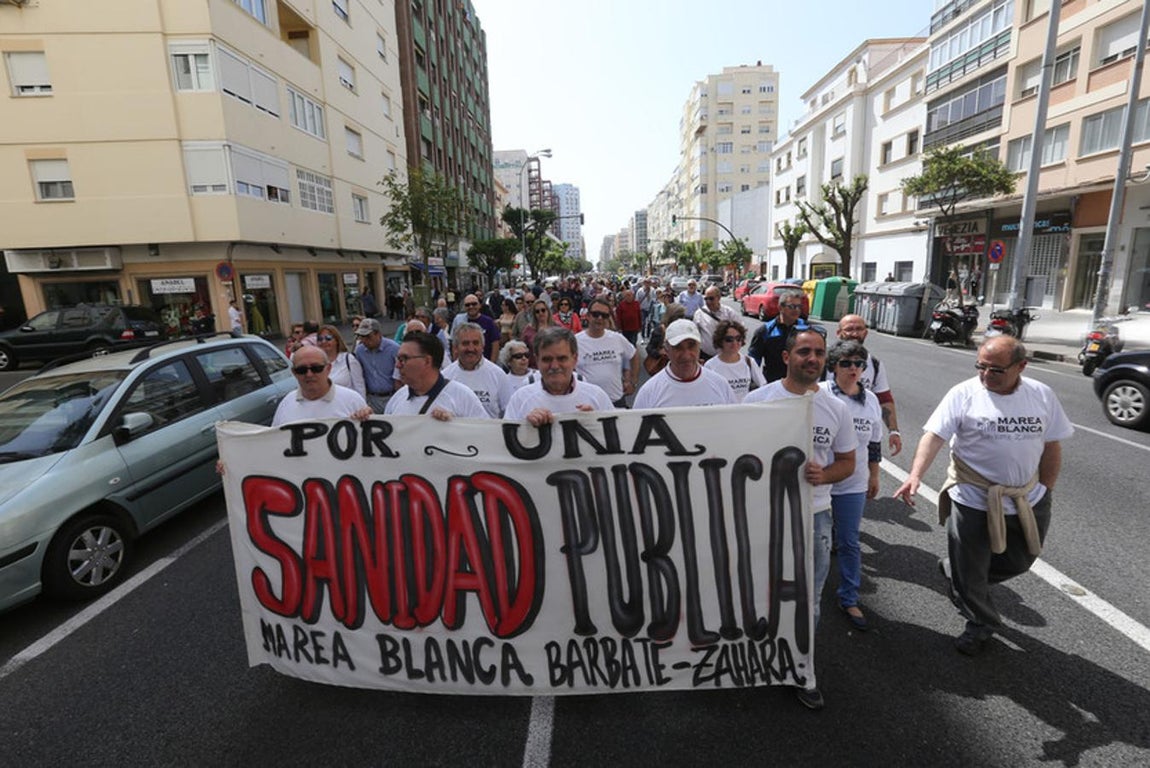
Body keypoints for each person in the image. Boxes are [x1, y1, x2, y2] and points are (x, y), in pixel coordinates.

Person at [893, 336, 1073, 656]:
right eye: (981, 366)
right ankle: (981, 621)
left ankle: (959, 572)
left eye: (996, 370)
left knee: (1021, 560)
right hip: (971, 497)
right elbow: (934, 437)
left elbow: (1052, 445)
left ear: (1021, 366)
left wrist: (1046, 489)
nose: (985, 375)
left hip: (1027, 497)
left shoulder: (1041, 395)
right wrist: (915, 475)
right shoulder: (963, 394)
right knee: (972, 573)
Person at [745, 328, 855, 711]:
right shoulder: (757, 400)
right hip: (764, 514)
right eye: (804, 351)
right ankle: (756, 656)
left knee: (809, 598)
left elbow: (847, 463)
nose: (812, 358)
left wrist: (823, 476)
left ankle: (801, 669)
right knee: (760, 589)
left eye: (819, 353)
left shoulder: (836, 408)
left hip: (815, 518)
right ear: (787, 357)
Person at [820, 339, 882, 632]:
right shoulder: (818, 395)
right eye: (846, 363)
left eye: (859, 363)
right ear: (833, 366)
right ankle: (803, 595)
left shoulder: (870, 400)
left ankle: (849, 596)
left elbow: (874, 443)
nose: (853, 369)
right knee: (810, 542)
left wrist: (874, 475)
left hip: (853, 483)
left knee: (848, 541)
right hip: (816, 482)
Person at [504, 326, 614, 423]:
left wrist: (597, 423)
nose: (555, 366)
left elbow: (618, 438)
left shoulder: (597, 397)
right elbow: (505, 442)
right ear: (537, 360)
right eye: (547, 359)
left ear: (574, 359)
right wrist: (525, 426)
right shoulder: (521, 399)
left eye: (562, 358)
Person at [828, 314, 903, 455]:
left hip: (858, 434)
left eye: (859, 329)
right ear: (839, 333)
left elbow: (884, 398)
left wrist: (894, 431)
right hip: (827, 431)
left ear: (866, 333)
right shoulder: (825, 361)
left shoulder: (875, 364)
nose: (855, 333)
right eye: (849, 329)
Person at [633, 319, 737, 409]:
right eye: (678, 347)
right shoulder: (649, 392)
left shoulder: (721, 385)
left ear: (699, 347)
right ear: (666, 350)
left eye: (691, 346)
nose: (686, 355)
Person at [384, 331, 488, 420]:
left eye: (404, 359)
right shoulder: (398, 398)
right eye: (398, 359)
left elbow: (485, 435)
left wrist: (457, 426)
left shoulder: (463, 397)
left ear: (427, 361)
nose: (397, 365)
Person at [272, 346, 373, 426]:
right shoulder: (286, 404)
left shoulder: (352, 400)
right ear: (294, 373)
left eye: (316, 368)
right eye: (301, 370)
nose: (309, 374)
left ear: (328, 368)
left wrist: (367, 417)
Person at [576, 298, 639, 408]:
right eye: (596, 314)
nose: (600, 318)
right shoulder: (575, 342)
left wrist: (632, 381)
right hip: (587, 405)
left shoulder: (617, 338)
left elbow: (633, 356)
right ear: (588, 316)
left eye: (604, 315)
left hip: (616, 402)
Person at [442, 323, 508, 419]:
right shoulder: (445, 376)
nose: (471, 348)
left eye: (476, 343)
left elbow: (508, 413)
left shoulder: (498, 375)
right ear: (455, 347)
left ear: (483, 346)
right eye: (465, 343)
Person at [748, 290, 809, 383]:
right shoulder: (765, 331)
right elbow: (753, 362)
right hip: (773, 383)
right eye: (792, 306)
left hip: (800, 383)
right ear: (780, 308)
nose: (796, 310)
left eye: (799, 307)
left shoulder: (807, 329)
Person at [703, 319, 764, 402]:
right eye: (729, 339)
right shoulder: (710, 366)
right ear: (720, 341)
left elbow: (763, 387)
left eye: (738, 339)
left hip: (745, 412)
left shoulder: (749, 362)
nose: (735, 343)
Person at [354, 318, 400, 413]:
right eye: (362, 337)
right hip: (372, 398)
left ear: (378, 334)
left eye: (368, 337)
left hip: (391, 396)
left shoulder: (393, 349)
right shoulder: (360, 351)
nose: (364, 340)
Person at [317, 324, 365, 399]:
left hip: (348, 406)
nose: (323, 341)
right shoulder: (315, 363)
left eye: (328, 338)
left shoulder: (349, 360)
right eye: (320, 339)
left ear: (337, 341)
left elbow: (360, 387)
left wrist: (362, 407)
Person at [693, 286, 741, 360]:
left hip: (726, 356)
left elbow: (740, 332)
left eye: (711, 299)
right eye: (706, 299)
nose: (708, 302)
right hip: (705, 356)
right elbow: (695, 335)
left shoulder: (729, 313)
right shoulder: (699, 314)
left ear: (718, 298)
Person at [451, 294, 501, 362]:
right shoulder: (459, 321)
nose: (471, 306)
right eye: (467, 305)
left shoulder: (488, 322)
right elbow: (454, 344)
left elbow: (495, 344)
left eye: (474, 304)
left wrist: (492, 363)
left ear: (479, 305)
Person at [521, 300, 552, 369]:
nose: (540, 313)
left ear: (548, 311)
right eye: (537, 311)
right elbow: (524, 349)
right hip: (534, 367)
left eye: (543, 310)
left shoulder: (557, 327)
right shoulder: (528, 330)